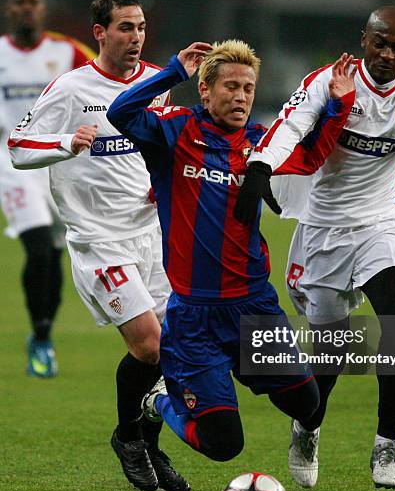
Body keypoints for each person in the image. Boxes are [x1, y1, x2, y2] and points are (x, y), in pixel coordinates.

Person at [234, 6, 395, 489]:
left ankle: (386, 444)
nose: (387, 54)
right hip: (323, 231)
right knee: (331, 353)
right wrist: (261, 166)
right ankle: (307, 427)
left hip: (380, 222)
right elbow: (290, 124)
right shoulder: (330, 80)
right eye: (380, 43)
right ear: (364, 40)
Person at [106, 40, 356, 463]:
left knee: (306, 404)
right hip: (196, 317)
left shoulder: (261, 145)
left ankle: (230, 377)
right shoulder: (175, 131)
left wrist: (337, 106)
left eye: (248, 88)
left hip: (252, 308)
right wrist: (171, 74)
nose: (241, 96)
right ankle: (158, 402)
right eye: (230, 86)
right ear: (205, 90)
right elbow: (120, 114)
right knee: (224, 445)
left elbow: (312, 155)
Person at [8, 0, 190, 491]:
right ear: (101, 33)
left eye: (141, 27)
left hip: (152, 236)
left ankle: (152, 446)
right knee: (149, 345)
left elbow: (158, 149)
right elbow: (18, 148)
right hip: (98, 240)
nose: (136, 37)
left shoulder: (158, 82)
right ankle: (128, 437)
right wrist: (68, 142)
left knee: (172, 349)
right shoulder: (70, 89)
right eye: (125, 28)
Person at [0, 0, 95, 378]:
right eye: (19, 3)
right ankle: (41, 340)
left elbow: (101, 79)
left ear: (42, 9)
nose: (26, 9)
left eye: (32, 3)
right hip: (13, 165)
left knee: (54, 256)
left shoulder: (67, 51)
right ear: (10, 9)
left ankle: (43, 333)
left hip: (57, 164)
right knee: (38, 248)